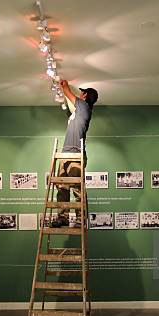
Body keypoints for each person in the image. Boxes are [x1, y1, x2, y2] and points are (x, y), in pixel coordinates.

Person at [51, 79, 98, 228]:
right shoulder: (78, 112)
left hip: (76, 154)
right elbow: (70, 102)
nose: (80, 94)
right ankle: (62, 217)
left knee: (77, 189)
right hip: (65, 154)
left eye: (82, 93)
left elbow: (68, 93)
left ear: (85, 96)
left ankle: (80, 219)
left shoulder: (84, 107)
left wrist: (63, 85)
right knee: (62, 187)